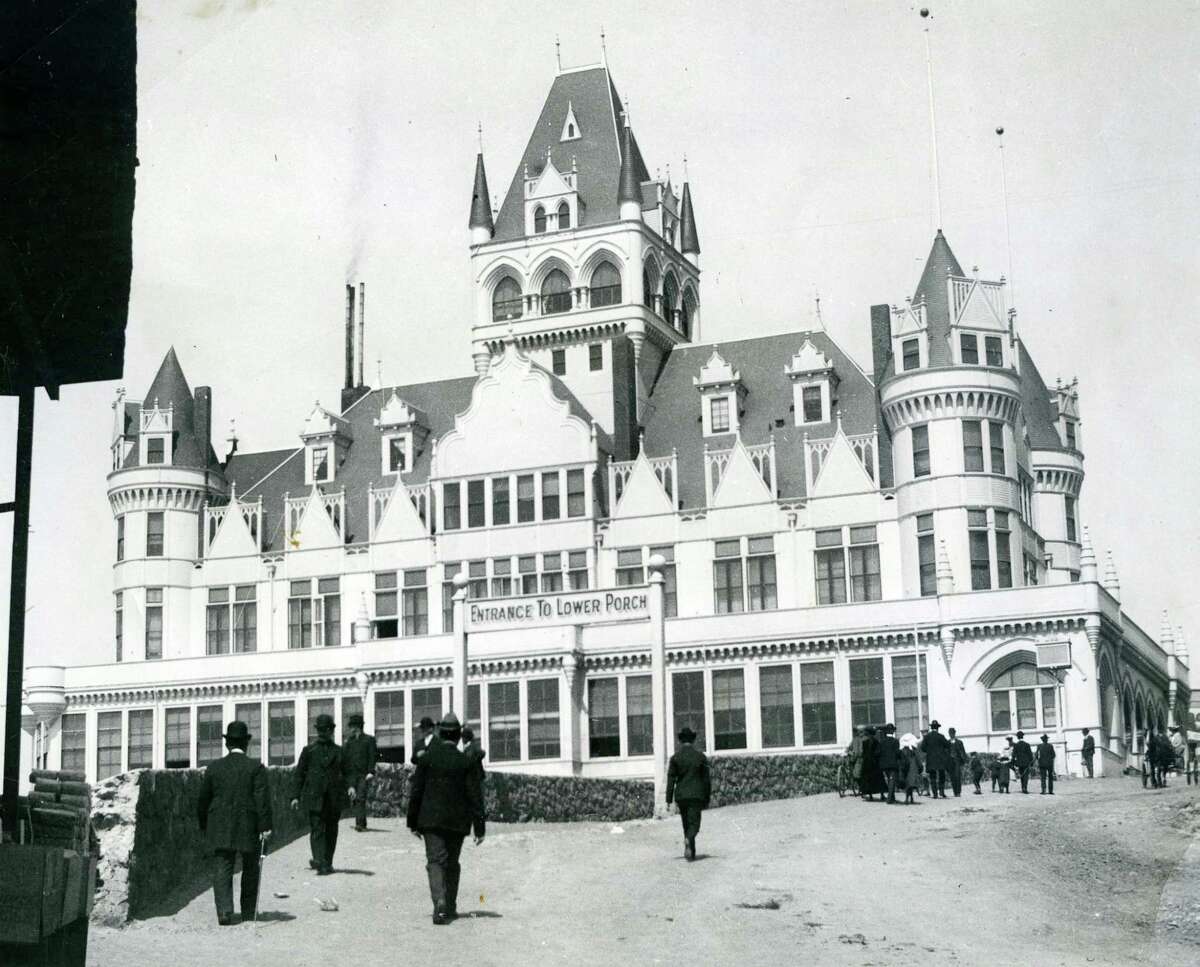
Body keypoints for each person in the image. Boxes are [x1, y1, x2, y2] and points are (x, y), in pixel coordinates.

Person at [407, 712, 486, 924]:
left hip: (430, 821)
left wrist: (412, 822)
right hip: (457, 823)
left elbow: (416, 792)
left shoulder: (427, 759)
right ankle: (449, 905)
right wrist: (480, 828)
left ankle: (439, 902)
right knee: (452, 862)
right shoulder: (465, 761)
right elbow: (475, 796)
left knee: (435, 861)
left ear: (441, 734)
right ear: (459, 736)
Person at [197, 720, 272, 925]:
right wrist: (265, 827)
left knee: (222, 866)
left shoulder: (214, 768)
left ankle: (224, 911)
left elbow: (203, 800)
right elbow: (262, 801)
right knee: (251, 867)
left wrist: (205, 825)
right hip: (248, 824)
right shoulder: (256, 767)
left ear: (227, 744)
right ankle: (248, 912)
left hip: (219, 825)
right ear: (246, 743)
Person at [291, 713, 353, 875]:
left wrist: (351, 786)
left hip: (334, 798)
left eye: (326, 729)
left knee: (332, 830)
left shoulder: (339, 751)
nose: (322, 732)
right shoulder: (309, 751)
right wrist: (295, 796)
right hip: (314, 797)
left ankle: (327, 862)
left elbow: (348, 772)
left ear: (331, 730)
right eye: (320, 730)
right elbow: (299, 774)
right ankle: (318, 859)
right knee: (317, 828)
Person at [666, 726, 712, 860]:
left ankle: (691, 852)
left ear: (680, 741)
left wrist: (668, 800)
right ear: (693, 740)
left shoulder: (675, 758)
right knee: (695, 824)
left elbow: (671, 779)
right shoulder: (700, 757)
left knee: (686, 822)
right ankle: (689, 839)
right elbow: (706, 780)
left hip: (681, 795)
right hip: (696, 795)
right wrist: (707, 797)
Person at [343, 713, 377, 832]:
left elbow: (372, 756)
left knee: (361, 797)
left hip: (364, 774)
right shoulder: (349, 742)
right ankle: (362, 822)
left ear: (357, 727)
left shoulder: (369, 740)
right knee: (354, 798)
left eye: (352, 726)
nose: (350, 729)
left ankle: (360, 824)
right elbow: (345, 759)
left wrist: (371, 771)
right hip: (351, 775)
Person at [920, 720, 952, 799]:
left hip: (931, 759)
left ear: (931, 728)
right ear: (938, 728)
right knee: (942, 775)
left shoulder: (927, 737)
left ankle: (935, 794)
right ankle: (941, 791)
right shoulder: (941, 736)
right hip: (941, 759)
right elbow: (948, 745)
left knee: (932, 777)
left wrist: (929, 751)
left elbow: (922, 747)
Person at [877, 723, 901, 804]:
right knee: (892, 780)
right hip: (893, 764)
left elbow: (878, 752)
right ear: (893, 731)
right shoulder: (896, 741)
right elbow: (897, 753)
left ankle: (892, 797)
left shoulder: (882, 741)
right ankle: (889, 798)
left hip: (884, 764)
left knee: (890, 779)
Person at [860, 726, 884, 802]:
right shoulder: (876, 741)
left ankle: (870, 795)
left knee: (868, 779)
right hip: (874, 762)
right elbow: (878, 752)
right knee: (879, 779)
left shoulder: (864, 742)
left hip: (867, 762)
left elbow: (863, 753)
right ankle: (882, 794)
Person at [947, 727, 968, 797]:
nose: (951, 734)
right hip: (950, 762)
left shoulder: (959, 742)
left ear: (954, 733)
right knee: (952, 777)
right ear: (949, 734)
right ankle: (955, 792)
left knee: (957, 776)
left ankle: (958, 792)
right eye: (950, 733)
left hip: (957, 761)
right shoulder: (947, 743)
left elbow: (963, 752)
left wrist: (965, 760)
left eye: (952, 733)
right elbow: (946, 752)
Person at [844, 725, 865, 795]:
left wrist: (856, 754)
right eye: (856, 732)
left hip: (860, 759)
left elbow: (861, 751)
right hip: (853, 759)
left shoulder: (864, 739)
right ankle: (857, 786)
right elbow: (849, 748)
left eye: (860, 732)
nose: (858, 733)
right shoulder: (855, 739)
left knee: (858, 774)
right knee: (852, 772)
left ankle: (861, 788)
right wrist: (849, 751)